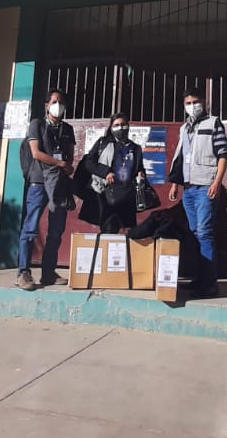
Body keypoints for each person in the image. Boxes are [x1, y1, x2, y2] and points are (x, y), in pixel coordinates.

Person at [167, 88, 227, 297]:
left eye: (195, 102)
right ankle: (198, 279)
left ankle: (210, 284)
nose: (192, 106)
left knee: (204, 233)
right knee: (194, 234)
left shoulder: (213, 123)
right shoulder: (184, 128)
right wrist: (175, 184)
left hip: (205, 186)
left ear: (203, 102)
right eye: (188, 103)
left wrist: (217, 182)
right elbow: (180, 156)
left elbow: (223, 154)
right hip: (189, 189)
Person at [16, 88, 75, 291]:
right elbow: (36, 153)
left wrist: (67, 166)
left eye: (61, 102)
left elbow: (70, 156)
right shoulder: (37, 124)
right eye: (55, 102)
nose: (58, 106)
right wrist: (59, 164)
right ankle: (23, 272)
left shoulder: (67, 129)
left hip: (59, 185)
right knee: (30, 227)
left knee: (56, 231)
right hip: (39, 183)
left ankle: (48, 272)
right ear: (47, 105)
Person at [84, 113, 147, 234]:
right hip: (108, 195)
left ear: (128, 126)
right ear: (111, 127)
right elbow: (89, 163)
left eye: (123, 124)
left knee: (130, 234)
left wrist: (141, 174)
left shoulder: (135, 148)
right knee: (108, 232)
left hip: (128, 196)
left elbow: (139, 168)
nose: (120, 128)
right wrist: (106, 172)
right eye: (116, 125)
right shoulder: (103, 143)